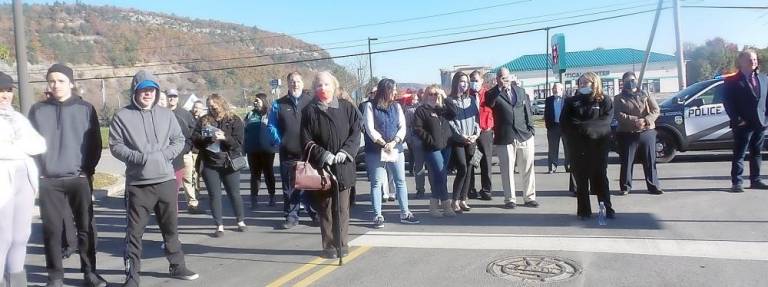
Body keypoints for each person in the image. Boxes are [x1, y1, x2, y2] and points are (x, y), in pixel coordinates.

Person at [109, 70, 198, 286]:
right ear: (135, 91)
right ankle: (132, 277)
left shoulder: (166, 115)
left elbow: (179, 140)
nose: (147, 94)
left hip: (166, 180)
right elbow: (115, 145)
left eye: (151, 90)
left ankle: (177, 266)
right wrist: (138, 158)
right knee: (134, 233)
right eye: (143, 90)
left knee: (171, 229)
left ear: (156, 92)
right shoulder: (122, 116)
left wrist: (162, 156)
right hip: (139, 185)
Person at [28, 64, 106, 287]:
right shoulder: (38, 110)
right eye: (52, 81)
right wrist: (40, 173)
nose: (56, 85)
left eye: (61, 80)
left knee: (86, 227)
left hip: (78, 179)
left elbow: (95, 143)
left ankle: (90, 272)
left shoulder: (85, 108)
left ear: (71, 83)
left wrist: (87, 171)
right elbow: (32, 145)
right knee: (52, 230)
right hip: (49, 181)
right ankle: (55, 276)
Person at [300, 71, 362, 259]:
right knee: (326, 208)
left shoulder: (347, 107)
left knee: (343, 209)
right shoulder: (309, 111)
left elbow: (356, 133)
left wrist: (345, 152)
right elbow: (305, 140)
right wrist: (323, 155)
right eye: (319, 85)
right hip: (323, 168)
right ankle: (328, 245)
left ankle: (342, 244)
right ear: (314, 88)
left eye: (326, 84)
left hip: (344, 166)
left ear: (334, 86)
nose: (323, 88)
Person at [0, 72, 46, 287]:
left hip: (24, 180)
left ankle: (16, 282)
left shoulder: (18, 118)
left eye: (8, 90)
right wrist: (21, 148)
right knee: (3, 238)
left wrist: (16, 147)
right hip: (3, 184)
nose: (4, 95)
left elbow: (39, 145)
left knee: (21, 236)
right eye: (0, 90)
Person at [363, 79, 420, 228]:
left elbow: (402, 127)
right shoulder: (370, 106)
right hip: (375, 150)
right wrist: (383, 143)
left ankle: (405, 213)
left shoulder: (397, 107)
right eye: (393, 90)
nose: (395, 92)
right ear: (385, 91)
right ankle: (377, 215)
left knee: (400, 181)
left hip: (395, 149)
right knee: (376, 183)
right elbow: (369, 129)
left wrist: (394, 142)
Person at [561, 72, 615, 220]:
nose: (583, 85)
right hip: (578, 148)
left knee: (600, 178)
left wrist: (586, 128)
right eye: (581, 83)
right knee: (581, 179)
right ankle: (584, 211)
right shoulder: (571, 102)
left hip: (598, 146)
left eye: (586, 82)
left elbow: (605, 122)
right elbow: (567, 124)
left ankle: (606, 208)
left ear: (595, 83)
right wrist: (585, 129)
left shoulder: (605, 101)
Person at [192, 94, 247, 236]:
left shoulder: (234, 120)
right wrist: (209, 139)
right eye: (209, 106)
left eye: (214, 106)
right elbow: (195, 140)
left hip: (229, 163)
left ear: (221, 104)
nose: (212, 109)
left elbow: (238, 144)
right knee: (214, 195)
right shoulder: (204, 120)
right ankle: (219, 226)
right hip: (210, 163)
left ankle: (240, 220)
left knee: (234, 194)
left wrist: (225, 138)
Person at [268, 72, 317, 229]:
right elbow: (272, 126)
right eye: (292, 82)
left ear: (302, 83)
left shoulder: (311, 102)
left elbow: (318, 125)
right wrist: (281, 141)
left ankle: (315, 213)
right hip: (288, 153)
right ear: (287, 84)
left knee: (311, 185)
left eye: (297, 81)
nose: (295, 84)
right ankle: (291, 216)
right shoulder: (278, 104)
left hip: (309, 152)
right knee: (289, 188)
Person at [485, 67, 538, 209]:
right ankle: (510, 199)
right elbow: (490, 103)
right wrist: (499, 88)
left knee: (527, 168)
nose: (505, 79)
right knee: (507, 170)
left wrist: (531, 129)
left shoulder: (520, 91)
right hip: (505, 137)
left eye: (506, 76)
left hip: (524, 135)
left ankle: (529, 197)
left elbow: (527, 111)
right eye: (502, 77)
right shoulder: (492, 93)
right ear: (497, 79)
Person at [723, 49, 768, 193]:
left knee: (756, 153)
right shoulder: (731, 80)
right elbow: (728, 102)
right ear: (741, 62)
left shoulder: (763, 78)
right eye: (749, 59)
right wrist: (737, 119)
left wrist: (766, 119)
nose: (753, 62)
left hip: (760, 123)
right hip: (743, 124)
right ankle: (737, 182)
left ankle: (756, 180)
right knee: (739, 154)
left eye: (754, 59)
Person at [614, 72, 664, 195]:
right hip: (627, 132)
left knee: (649, 160)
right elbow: (619, 115)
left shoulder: (646, 94)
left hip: (646, 131)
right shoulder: (618, 98)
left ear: (636, 81)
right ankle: (626, 187)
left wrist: (645, 120)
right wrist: (634, 121)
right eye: (627, 81)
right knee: (627, 161)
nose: (630, 83)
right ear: (623, 83)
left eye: (632, 80)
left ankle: (653, 186)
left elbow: (655, 110)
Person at [413, 85, 455, 217]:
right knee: (440, 174)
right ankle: (443, 205)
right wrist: (430, 140)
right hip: (432, 148)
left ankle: (438, 205)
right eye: (430, 94)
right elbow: (418, 129)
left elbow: (454, 113)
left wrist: (446, 97)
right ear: (425, 95)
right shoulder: (421, 110)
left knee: (441, 176)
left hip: (446, 146)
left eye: (435, 94)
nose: (433, 96)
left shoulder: (442, 109)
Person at [446, 72, 480, 213]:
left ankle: (463, 199)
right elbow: (450, 123)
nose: (465, 84)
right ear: (456, 83)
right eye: (461, 81)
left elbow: (476, 120)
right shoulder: (449, 101)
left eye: (466, 81)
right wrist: (462, 136)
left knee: (470, 169)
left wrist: (475, 134)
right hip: (458, 141)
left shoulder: (471, 100)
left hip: (471, 140)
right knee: (462, 168)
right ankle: (454, 200)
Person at [167, 89, 205, 214]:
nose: (171, 98)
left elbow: (193, 133)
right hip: (167, 154)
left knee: (189, 178)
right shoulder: (161, 113)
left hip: (185, 152)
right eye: (169, 96)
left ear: (178, 98)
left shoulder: (185, 114)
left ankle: (192, 203)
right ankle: (170, 207)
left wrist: (188, 149)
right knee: (169, 182)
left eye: (174, 96)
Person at [244, 93, 279, 209]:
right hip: (252, 149)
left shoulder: (270, 114)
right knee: (255, 175)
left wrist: (275, 143)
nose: (255, 103)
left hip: (267, 150)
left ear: (264, 101)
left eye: (257, 101)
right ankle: (254, 199)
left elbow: (276, 129)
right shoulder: (250, 115)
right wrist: (244, 147)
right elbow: (244, 131)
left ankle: (272, 196)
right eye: (254, 101)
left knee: (269, 173)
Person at [469, 70, 493, 201]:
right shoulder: (467, 95)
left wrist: (491, 125)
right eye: (472, 80)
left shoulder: (488, 95)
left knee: (486, 162)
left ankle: (486, 190)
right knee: (472, 161)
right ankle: (470, 189)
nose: (474, 83)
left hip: (485, 132)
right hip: (471, 133)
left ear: (482, 81)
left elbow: (495, 110)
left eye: (476, 80)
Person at [404, 90, 427, 199]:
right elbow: (407, 126)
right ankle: (420, 189)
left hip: (429, 140)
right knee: (419, 166)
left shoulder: (430, 107)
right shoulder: (410, 111)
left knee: (432, 166)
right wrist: (409, 139)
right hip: (416, 139)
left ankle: (435, 190)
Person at [545, 83, 567, 174]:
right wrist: (548, 125)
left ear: (562, 89)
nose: (554, 89)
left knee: (568, 148)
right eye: (553, 88)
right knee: (553, 149)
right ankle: (552, 167)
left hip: (566, 127)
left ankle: (568, 166)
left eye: (556, 88)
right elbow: (546, 113)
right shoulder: (549, 100)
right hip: (553, 127)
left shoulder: (568, 99)